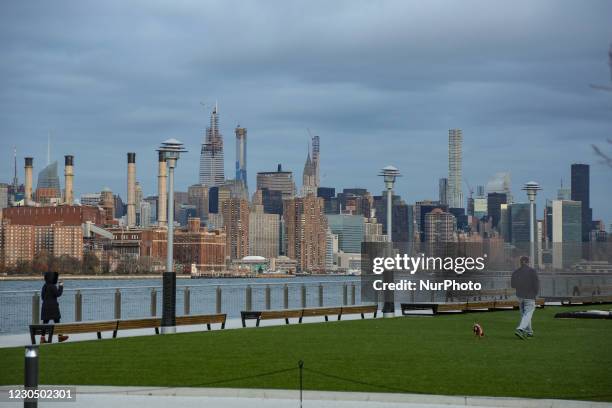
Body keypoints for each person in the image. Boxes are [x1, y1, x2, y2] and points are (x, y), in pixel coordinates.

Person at [511, 256, 539, 340]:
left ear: (520, 262)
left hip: (520, 296)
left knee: (525, 315)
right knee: (528, 314)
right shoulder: (532, 271)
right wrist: (535, 293)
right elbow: (536, 284)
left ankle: (529, 332)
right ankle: (520, 329)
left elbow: (513, 285)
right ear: (528, 262)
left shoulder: (516, 272)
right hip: (530, 296)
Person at [41, 271, 69, 343]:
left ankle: (42, 338)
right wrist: (61, 285)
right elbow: (58, 294)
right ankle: (60, 337)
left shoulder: (44, 286)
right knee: (57, 321)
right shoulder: (52, 286)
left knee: (45, 322)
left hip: (45, 307)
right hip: (53, 307)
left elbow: (42, 297)